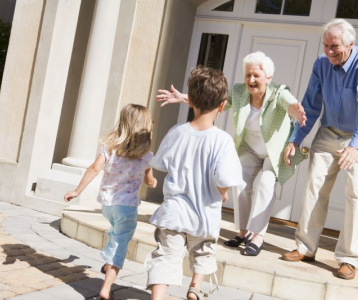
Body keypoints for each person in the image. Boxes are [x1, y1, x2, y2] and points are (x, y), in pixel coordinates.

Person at [156, 51, 307, 257]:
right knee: (242, 183)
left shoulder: (279, 93)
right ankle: (243, 232)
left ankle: (258, 235)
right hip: (250, 149)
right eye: (247, 75)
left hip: (274, 153)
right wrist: (185, 98)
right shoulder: (238, 92)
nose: (251, 80)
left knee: (265, 184)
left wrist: (296, 112)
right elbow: (215, 101)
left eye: (256, 76)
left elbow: (290, 104)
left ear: (268, 78)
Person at [281, 19, 358, 280]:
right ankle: (305, 247)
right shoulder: (321, 64)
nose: (329, 51)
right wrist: (296, 138)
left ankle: (349, 258)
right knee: (314, 186)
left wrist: (357, 146)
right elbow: (311, 103)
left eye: (335, 46)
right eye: (326, 45)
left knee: (355, 192)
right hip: (329, 132)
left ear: (350, 44)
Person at [146, 66, 244, 300]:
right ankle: (194, 288)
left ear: (190, 102)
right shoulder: (223, 140)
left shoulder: (177, 132)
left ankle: (157, 298)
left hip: (174, 213)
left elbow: (160, 163)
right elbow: (223, 178)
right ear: (222, 106)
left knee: (165, 257)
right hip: (204, 214)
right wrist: (223, 193)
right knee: (203, 252)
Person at [64, 104, 157, 300]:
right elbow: (150, 182)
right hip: (127, 209)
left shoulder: (109, 149)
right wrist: (154, 181)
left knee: (115, 235)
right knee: (120, 245)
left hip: (107, 206)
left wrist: (77, 190)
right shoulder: (146, 156)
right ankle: (106, 288)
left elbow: (93, 169)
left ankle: (107, 265)